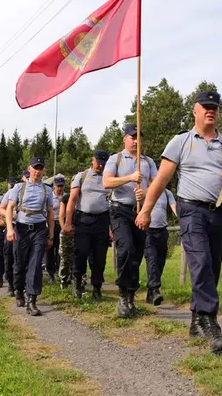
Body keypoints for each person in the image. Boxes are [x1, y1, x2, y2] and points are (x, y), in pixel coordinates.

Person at [135, 90, 222, 352]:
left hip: (219, 212)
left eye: (215, 107)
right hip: (191, 211)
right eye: (206, 106)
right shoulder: (181, 141)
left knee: (213, 267)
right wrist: (145, 210)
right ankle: (210, 322)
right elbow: (161, 179)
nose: (211, 110)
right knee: (200, 263)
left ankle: (196, 320)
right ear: (195, 111)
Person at [103, 125, 158, 318]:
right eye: (132, 137)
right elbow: (107, 182)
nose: (136, 141)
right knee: (125, 248)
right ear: (124, 139)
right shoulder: (115, 159)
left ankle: (131, 297)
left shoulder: (148, 161)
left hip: (140, 212)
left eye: (138, 138)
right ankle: (122, 295)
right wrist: (130, 178)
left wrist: (146, 192)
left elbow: (156, 184)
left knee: (136, 254)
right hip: (120, 211)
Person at [6, 157, 54, 316]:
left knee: (35, 264)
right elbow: (9, 208)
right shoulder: (19, 188)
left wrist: (51, 235)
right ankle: (19, 290)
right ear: (29, 169)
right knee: (20, 264)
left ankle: (31, 300)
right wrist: (9, 229)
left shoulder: (47, 190)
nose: (37, 172)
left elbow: (51, 213)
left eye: (40, 169)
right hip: (21, 229)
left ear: (43, 171)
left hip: (39, 230)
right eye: (35, 168)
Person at [64, 150, 111, 300]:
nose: (101, 166)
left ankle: (97, 288)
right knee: (81, 252)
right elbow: (72, 200)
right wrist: (67, 223)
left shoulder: (109, 178)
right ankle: (77, 283)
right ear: (93, 160)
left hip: (102, 220)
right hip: (83, 220)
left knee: (100, 256)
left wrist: (111, 228)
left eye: (104, 163)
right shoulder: (82, 176)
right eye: (99, 162)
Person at [143, 187, 177, 305]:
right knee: (151, 259)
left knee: (160, 261)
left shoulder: (167, 193)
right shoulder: (145, 190)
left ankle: (150, 293)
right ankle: (155, 289)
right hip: (147, 230)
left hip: (162, 231)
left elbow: (174, 207)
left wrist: (183, 218)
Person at [0, 171, 30, 297]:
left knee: (26, 259)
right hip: (13, 227)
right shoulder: (15, 190)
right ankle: (11, 284)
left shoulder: (38, 190)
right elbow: (0, 209)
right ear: (22, 178)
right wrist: (11, 214)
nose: (28, 179)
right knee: (10, 257)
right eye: (26, 177)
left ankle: (25, 287)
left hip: (28, 229)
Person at [0, 178, 18, 289]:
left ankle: (13, 281)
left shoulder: (20, 193)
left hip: (16, 227)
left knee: (13, 255)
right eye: (10, 184)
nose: (11, 186)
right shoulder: (2, 197)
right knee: (0, 254)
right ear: (7, 184)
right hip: (3, 228)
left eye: (13, 184)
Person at [46, 175, 65, 283]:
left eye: (62, 186)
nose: (60, 188)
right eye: (58, 186)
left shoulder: (65, 196)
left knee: (60, 250)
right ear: (54, 186)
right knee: (50, 248)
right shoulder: (50, 197)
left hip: (61, 224)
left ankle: (60, 271)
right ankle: (50, 272)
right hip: (51, 224)